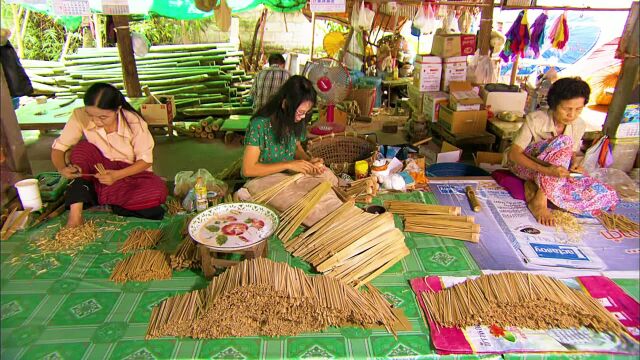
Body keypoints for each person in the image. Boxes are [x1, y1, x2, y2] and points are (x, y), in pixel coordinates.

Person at [51, 83, 168, 227]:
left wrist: (116, 176)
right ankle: (75, 216)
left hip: (130, 174)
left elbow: (145, 161)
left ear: (118, 109)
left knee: (157, 191)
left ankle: (104, 200)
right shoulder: (79, 115)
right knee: (82, 150)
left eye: (103, 117)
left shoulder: (134, 122)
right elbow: (59, 148)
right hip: (98, 171)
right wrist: (61, 168)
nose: (96, 121)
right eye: (90, 115)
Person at [507, 77, 618, 225]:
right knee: (564, 141)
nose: (572, 115)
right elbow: (513, 154)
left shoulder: (579, 125)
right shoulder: (535, 119)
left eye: (578, 109)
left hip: (554, 173)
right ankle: (540, 200)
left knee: (606, 193)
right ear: (554, 105)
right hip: (526, 166)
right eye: (567, 109)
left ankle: (536, 186)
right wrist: (546, 171)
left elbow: (569, 153)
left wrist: (574, 165)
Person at [242, 75, 324, 178]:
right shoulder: (259, 125)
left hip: (286, 176)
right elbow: (248, 170)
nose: (302, 117)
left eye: (306, 112)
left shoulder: (297, 120)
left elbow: (296, 146)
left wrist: (308, 162)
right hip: (262, 179)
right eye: (300, 112)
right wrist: (288, 165)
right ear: (285, 104)